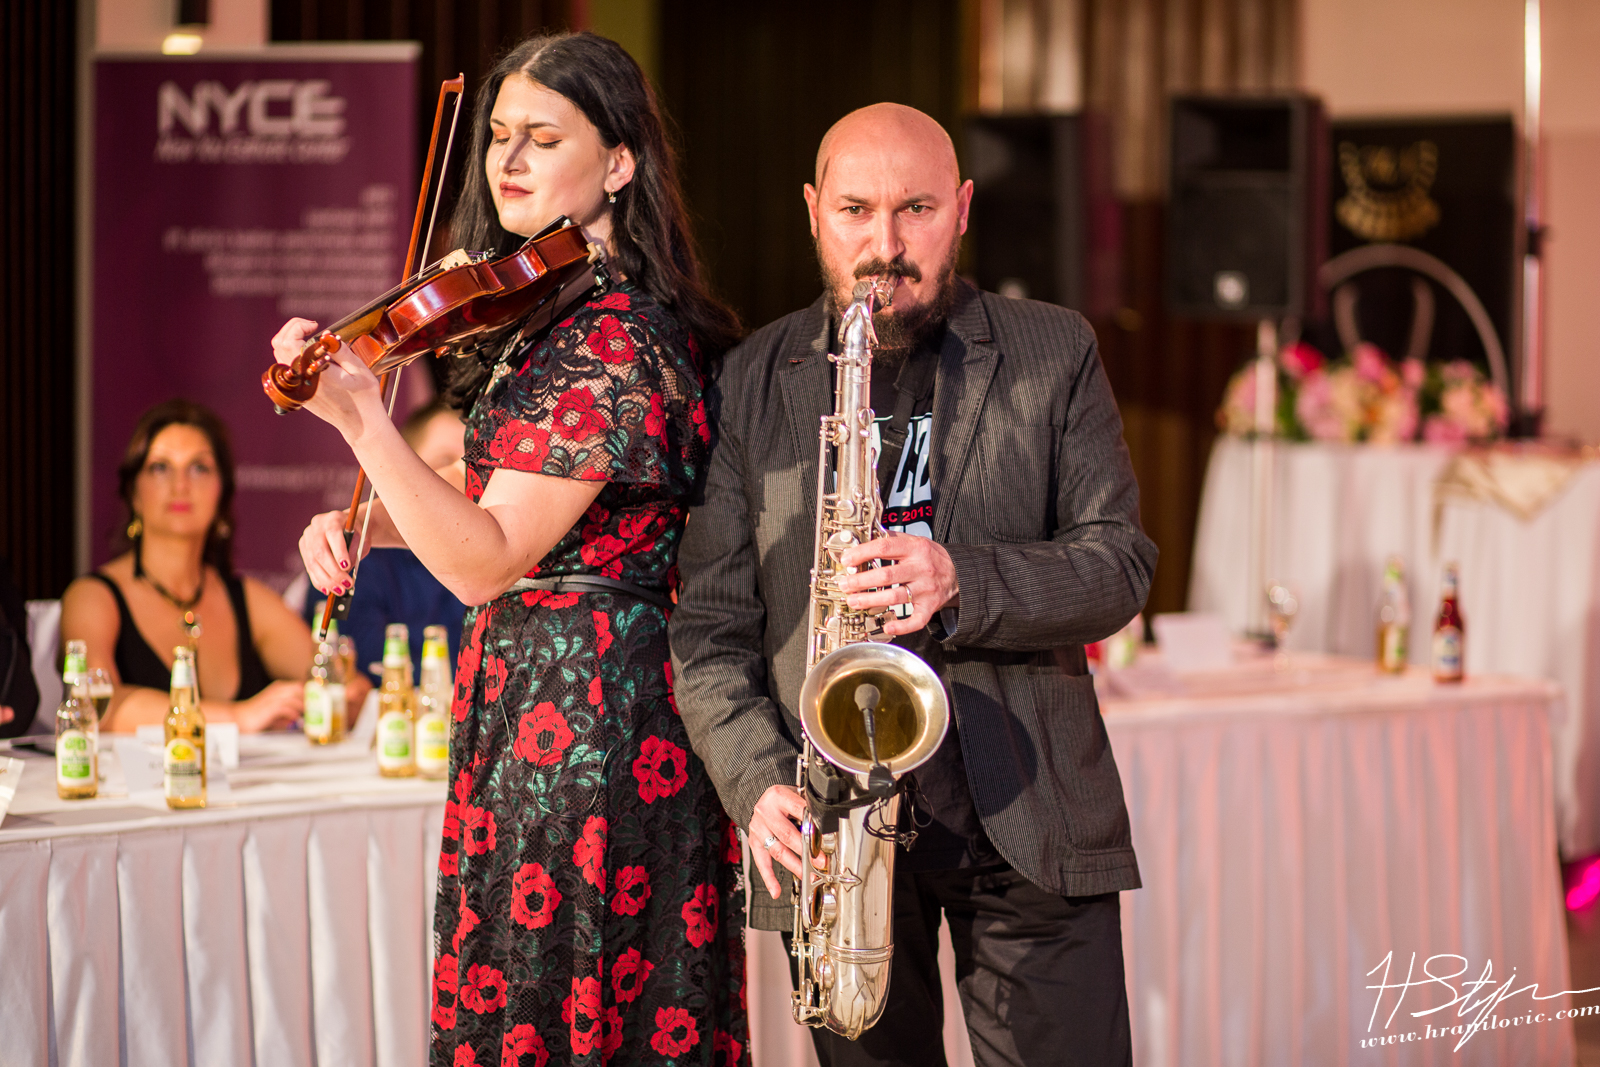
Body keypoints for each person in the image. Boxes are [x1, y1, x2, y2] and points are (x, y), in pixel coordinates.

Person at [277, 32, 748, 1067]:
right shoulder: (555, 319)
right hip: (541, 697)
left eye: (543, 136)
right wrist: (371, 516)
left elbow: (489, 557)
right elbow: (495, 513)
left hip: (589, 718)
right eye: (496, 136)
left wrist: (365, 424)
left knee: (572, 997)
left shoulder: (612, 335)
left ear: (620, 162)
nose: (506, 160)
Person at [670, 103, 1157, 1067]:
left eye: (916, 210)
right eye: (856, 209)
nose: (884, 245)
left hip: (1026, 816)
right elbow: (711, 628)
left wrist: (959, 575)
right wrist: (757, 779)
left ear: (963, 209)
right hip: (834, 830)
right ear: (813, 211)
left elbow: (1119, 561)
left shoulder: (1054, 350)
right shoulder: (747, 382)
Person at [60, 400, 315, 733]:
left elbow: (340, 683)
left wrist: (331, 696)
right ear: (134, 493)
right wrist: (239, 718)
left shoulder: (249, 598)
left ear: (222, 493)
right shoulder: (93, 596)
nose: (181, 484)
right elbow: (95, 703)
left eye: (199, 468)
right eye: (160, 467)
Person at [301, 399, 468, 681]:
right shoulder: (363, 559)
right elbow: (362, 669)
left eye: (471, 469)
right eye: (444, 467)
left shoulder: (506, 555)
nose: (464, 483)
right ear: (405, 470)